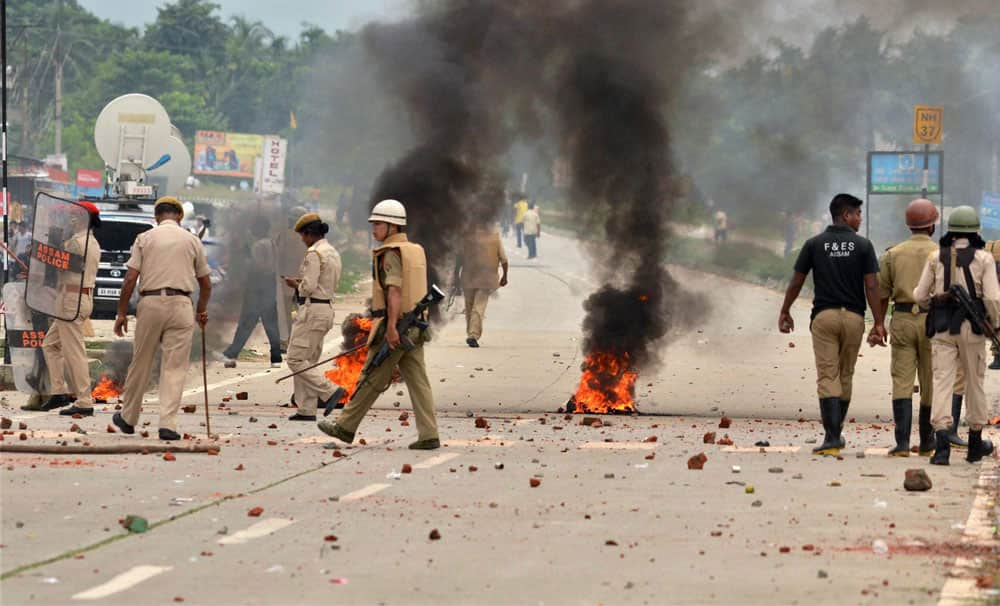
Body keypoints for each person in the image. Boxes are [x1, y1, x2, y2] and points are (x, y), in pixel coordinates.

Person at [318, 199, 440, 450]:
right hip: (416, 326)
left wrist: (392, 328)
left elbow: (394, 291)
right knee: (419, 382)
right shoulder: (415, 250)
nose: (374, 229)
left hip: (397, 326)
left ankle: (345, 427)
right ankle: (429, 435)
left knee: (371, 376)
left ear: (392, 227)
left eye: (378, 224)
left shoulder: (391, 253)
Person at [778, 193, 885, 455]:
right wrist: (879, 322)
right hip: (853, 318)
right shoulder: (863, 246)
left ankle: (832, 437)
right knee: (845, 374)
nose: (860, 219)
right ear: (846, 215)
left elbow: (796, 281)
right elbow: (871, 285)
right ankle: (837, 434)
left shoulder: (814, 244)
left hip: (824, 318)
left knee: (828, 375)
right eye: (858, 214)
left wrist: (786, 310)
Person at [112, 196, 213, 441]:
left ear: (157, 217)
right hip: (181, 305)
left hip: (151, 303)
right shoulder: (192, 241)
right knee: (174, 367)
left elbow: (129, 280)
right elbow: (206, 284)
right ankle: (168, 424)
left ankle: (128, 418)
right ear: (179, 216)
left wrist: (122, 313)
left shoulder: (145, 239)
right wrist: (201, 310)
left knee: (141, 361)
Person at [914, 205, 1000, 465]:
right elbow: (993, 299)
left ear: (950, 232)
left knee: (942, 383)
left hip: (941, 328)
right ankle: (975, 443)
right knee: (974, 383)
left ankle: (942, 447)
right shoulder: (984, 259)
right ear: (975, 232)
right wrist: (994, 326)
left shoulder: (935, 257)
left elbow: (919, 296)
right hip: (972, 331)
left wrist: (934, 303)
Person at [873, 198, 939, 456]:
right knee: (930, 381)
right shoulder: (942, 253)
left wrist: (878, 323)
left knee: (901, 380)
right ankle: (927, 442)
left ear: (909, 225)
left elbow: (881, 293)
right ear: (932, 225)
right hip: (933, 321)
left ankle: (901, 444)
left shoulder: (893, 253)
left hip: (901, 319)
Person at [37, 202, 102, 415]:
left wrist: (42, 253)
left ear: (84, 218)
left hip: (71, 299)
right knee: (50, 345)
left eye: (75, 215)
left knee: (74, 352)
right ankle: (59, 392)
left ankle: (84, 401)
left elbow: (55, 264)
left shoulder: (76, 243)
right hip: (77, 298)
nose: (71, 219)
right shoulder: (91, 242)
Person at [281, 212, 346, 421]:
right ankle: (306, 409)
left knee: (295, 359)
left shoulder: (314, 253)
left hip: (312, 310)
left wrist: (295, 284)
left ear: (309, 234)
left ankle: (329, 391)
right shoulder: (332, 252)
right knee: (309, 360)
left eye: (303, 236)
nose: (302, 240)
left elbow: (308, 287)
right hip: (326, 309)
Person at [221, 217, 282, 367]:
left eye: (254, 229)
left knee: (246, 322)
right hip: (270, 286)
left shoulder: (258, 245)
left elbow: (255, 267)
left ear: (259, 230)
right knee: (271, 323)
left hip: (256, 288)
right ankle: (276, 357)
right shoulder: (273, 244)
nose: (252, 231)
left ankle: (231, 354)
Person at [456, 224, 509, 348]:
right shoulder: (495, 237)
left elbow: (459, 259)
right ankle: (473, 335)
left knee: (469, 307)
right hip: (486, 279)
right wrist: (505, 276)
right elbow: (504, 260)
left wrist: (455, 277)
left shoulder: (466, 236)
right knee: (478, 308)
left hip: (468, 277)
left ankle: (471, 334)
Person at [275, 207, 309, 350]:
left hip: (287, 281)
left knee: (286, 314)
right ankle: (298, 342)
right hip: (302, 281)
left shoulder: (284, 235)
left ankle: (287, 342)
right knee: (302, 313)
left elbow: (277, 254)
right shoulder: (308, 237)